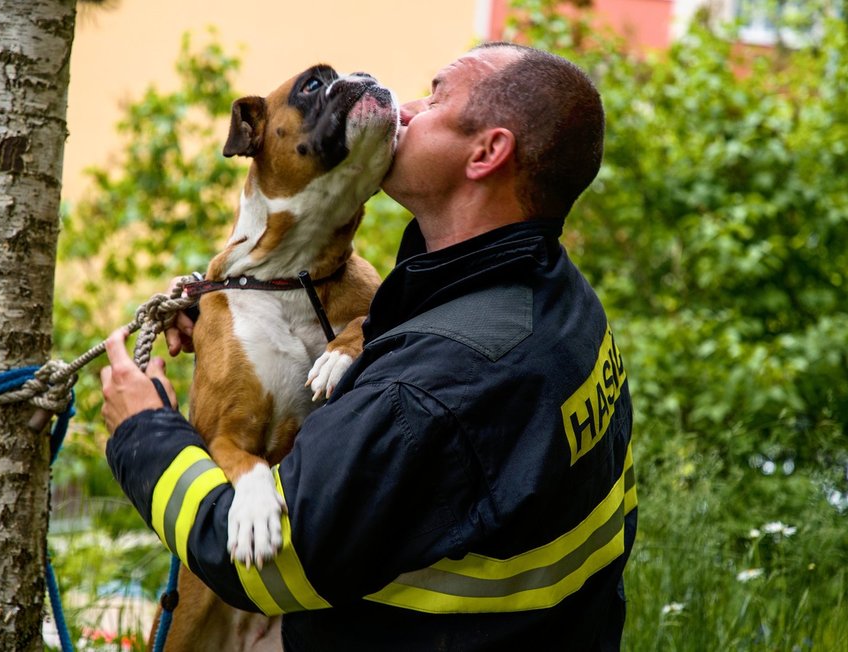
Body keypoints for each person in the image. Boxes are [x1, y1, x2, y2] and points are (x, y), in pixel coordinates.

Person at [101, 41, 637, 651]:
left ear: (487, 153)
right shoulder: (557, 300)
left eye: (436, 99)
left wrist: (143, 431)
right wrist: (248, 315)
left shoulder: (431, 390)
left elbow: (266, 564)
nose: (406, 109)